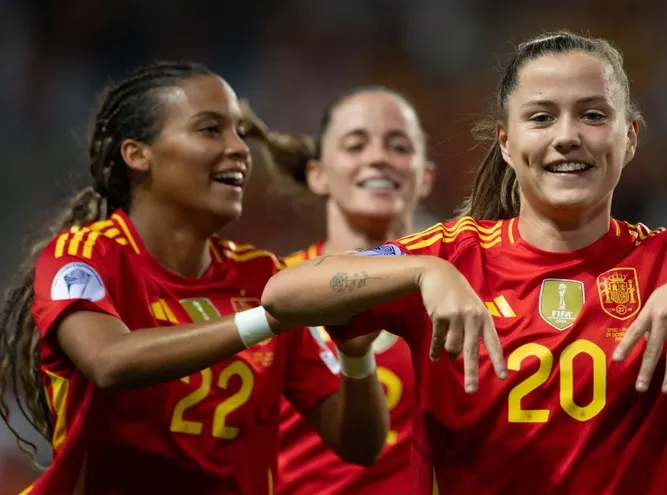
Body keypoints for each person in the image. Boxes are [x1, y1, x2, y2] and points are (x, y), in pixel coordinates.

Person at [260, 31, 667, 495]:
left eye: (593, 115)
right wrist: (423, 273)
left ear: (629, 138)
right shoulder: (452, 255)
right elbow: (284, 295)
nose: (567, 136)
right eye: (542, 116)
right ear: (506, 140)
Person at [0, 61, 389, 495]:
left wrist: (357, 357)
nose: (240, 148)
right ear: (137, 154)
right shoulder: (86, 256)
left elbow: (361, 446)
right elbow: (109, 362)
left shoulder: (262, 276)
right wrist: (271, 318)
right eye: (210, 130)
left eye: (240, 132)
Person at [242, 86, 434, 495]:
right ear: (318, 174)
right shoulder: (277, 292)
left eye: (399, 146)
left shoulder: (458, 288)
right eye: (355, 144)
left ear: (426, 177)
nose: (378, 157)